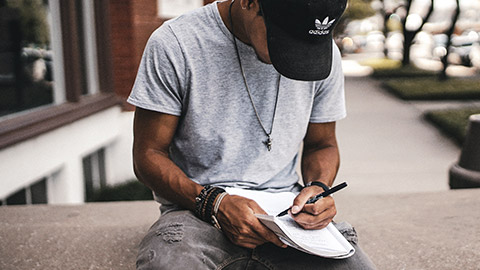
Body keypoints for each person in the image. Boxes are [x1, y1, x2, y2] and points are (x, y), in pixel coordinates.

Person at [128, 0, 376, 269]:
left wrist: (318, 189)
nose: (297, 54)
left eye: (305, 41)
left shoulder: (319, 52)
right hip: (195, 211)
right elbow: (148, 154)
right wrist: (214, 203)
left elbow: (322, 144)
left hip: (287, 218)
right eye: (285, 38)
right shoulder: (176, 43)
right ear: (249, 2)